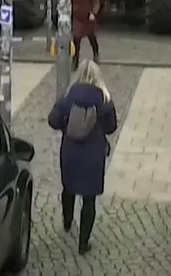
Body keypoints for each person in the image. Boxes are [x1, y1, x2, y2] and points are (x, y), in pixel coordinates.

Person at [47, 60, 118, 255]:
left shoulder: (68, 97)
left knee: (68, 188)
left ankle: (68, 221)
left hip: (70, 151)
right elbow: (112, 127)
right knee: (89, 199)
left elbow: (52, 120)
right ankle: (83, 243)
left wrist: (66, 126)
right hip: (93, 155)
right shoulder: (104, 99)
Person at [71, 0, 100, 66]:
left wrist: (93, 13)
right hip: (76, 17)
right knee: (76, 38)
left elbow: (96, 1)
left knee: (92, 37)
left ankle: (96, 54)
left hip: (88, 17)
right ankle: (75, 60)